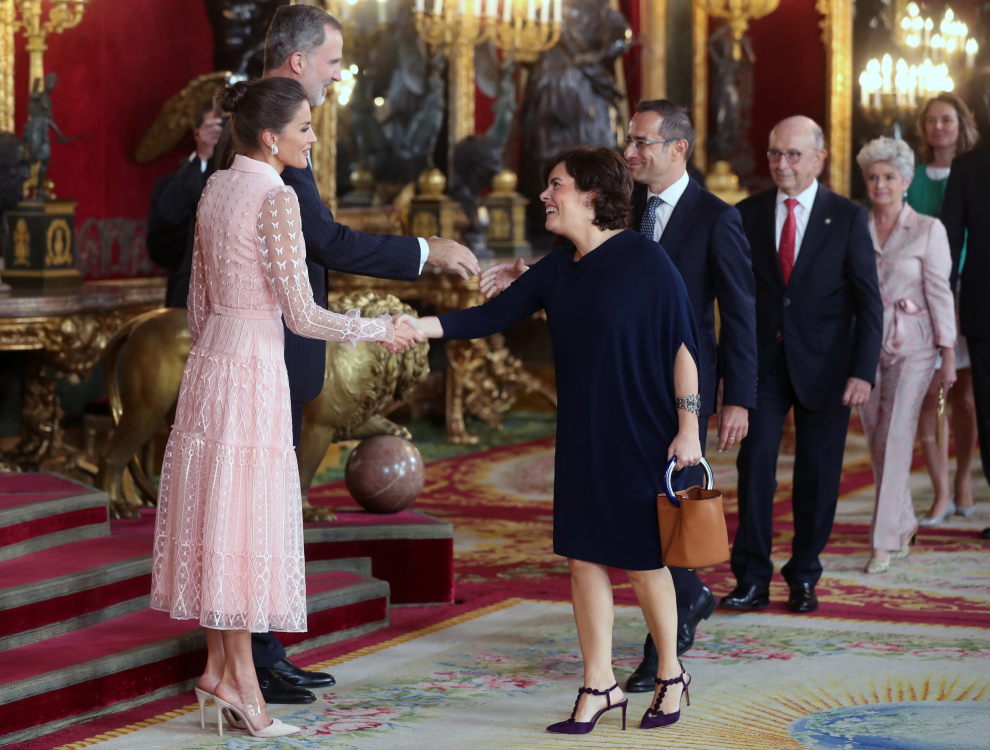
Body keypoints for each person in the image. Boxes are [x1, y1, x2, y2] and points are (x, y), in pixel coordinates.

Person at [216, 4, 480, 703]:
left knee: (267, 509)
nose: (339, 76)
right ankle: (253, 662)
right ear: (299, 64)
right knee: (257, 510)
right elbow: (324, 244)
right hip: (261, 352)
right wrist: (424, 258)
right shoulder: (266, 142)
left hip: (251, 348)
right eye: (333, 62)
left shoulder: (263, 133)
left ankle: (256, 658)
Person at [150, 76, 420, 737]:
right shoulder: (274, 200)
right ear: (271, 136)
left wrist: (226, 342)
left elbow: (198, 306)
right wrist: (378, 328)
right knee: (242, 529)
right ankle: (238, 683)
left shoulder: (216, 187)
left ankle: (221, 672)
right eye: (304, 128)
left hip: (211, 365)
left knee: (220, 524)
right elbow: (302, 315)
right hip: (251, 371)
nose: (313, 137)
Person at [401, 146, 703, 734]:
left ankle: (670, 674)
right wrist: (418, 328)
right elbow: (489, 318)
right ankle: (599, 684)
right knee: (583, 559)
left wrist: (689, 427)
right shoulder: (557, 267)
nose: (545, 194)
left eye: (555, 185)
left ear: (590, 195)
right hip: (583, 435)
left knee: (642, 564)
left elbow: (684, 349)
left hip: (643, 436)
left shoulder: (646, 260)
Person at [479, 99, 758, 687]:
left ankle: (665, 659)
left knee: (653, 519)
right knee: (635, 519)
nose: (630, 154)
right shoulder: (624, 215)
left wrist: (736, 396)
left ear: (677, 149)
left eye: (642, 144)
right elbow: (591, 265)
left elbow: (737, 312)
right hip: (615, 389)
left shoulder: (715, 217)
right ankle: (682, 617)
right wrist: (529, 272)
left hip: (677, 389)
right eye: (628, 143)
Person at [724, 116, 883, 613]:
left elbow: (869, 303)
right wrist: (729, 375)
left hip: (828, 367)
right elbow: (734, 301)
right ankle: (751, 577)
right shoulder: (746, 213)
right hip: (763, 367)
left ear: (818, 159)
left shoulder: (848, 216)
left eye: (793, 155)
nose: (781, 164)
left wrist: (863, 371)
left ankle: (804, 576)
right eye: (774, 154)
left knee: (817, 475)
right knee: (755, 470)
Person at [856, 136, 956, 573]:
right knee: (878, 440)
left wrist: (947, 355)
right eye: (873, 177)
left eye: (889, 177)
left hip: (915, 345)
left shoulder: (929, 229)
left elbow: (940, 295)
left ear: (907, 181)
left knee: (897, 437)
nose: (881, 184)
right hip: (865, 346)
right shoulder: (854, 227)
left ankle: (882, 543)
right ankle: (904, 524)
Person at [907, 94, 981, 525]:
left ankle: (964, 481)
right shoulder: (912, 177)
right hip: (920, 295)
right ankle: (939, 493)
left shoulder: (975, 172)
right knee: (929, 398)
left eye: (947, 119)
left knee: (966, 400)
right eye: (931, 120)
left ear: (961, 124)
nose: (939, 127)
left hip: (964, 292)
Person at [942, 91, 990, 542]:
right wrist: (942, 310)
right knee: (987, 412)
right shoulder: (968, 166)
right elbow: (950, 244)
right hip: (982, 306)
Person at [147, 102, 223, 308]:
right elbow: (158, 248)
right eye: (215, 125)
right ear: (198, 134)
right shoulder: (171, 184)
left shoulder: (246, 180)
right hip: (188, 297)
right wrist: (202, 156)